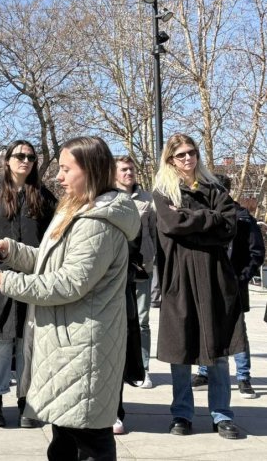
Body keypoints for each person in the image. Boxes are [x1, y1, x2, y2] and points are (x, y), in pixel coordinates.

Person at [0, 136, 139, 461]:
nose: (58, 176)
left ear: (91, 171)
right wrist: (12, 252)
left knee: (90, 444)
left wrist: (11, 282)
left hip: (83, 350)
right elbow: (48, 260)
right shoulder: (76, 209)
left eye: (67, 169)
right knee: (64, 443)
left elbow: (69, 282)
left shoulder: (99, 223)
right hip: (66, 347)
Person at [152, 134, 245, 439]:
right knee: (181, 351)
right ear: (170, 160)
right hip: (179, 280)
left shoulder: (214, 188)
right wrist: (209, 220)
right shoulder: (163, 192)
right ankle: (182, 414)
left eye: (192, 153)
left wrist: (192, 220)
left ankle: (222, 416)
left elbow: (229, 226)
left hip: (215, 279)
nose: (188, 159)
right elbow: (171, 225)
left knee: (217, 352)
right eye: (181, 155)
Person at [0, 139, 56, 429]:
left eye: (31, 157)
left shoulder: (44, 197)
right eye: (19, 155)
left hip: (32, 279)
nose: (25, 160)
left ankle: (27, 403)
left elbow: (52, 241)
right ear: (6, 160)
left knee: (27, 342)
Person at [191, 174, 264, 400]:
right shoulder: (205, 217)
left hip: (233, 286)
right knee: (206, 327)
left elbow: (256, 253)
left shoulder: (243, 219)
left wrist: (241, 277)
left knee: (237, 332)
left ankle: (243, 377)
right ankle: (204, 371)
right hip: (208, 284)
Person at [114, 156, 157, 392]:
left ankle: (143, 368)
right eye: (123, 169)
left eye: (131, 169)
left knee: (142, 320)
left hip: (141, 269)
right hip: (115, 268)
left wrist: (152, 259)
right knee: (118, 320)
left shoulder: (147, 199)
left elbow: (154, 233)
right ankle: (120, 367)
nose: (129, 173)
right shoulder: (107, 197)